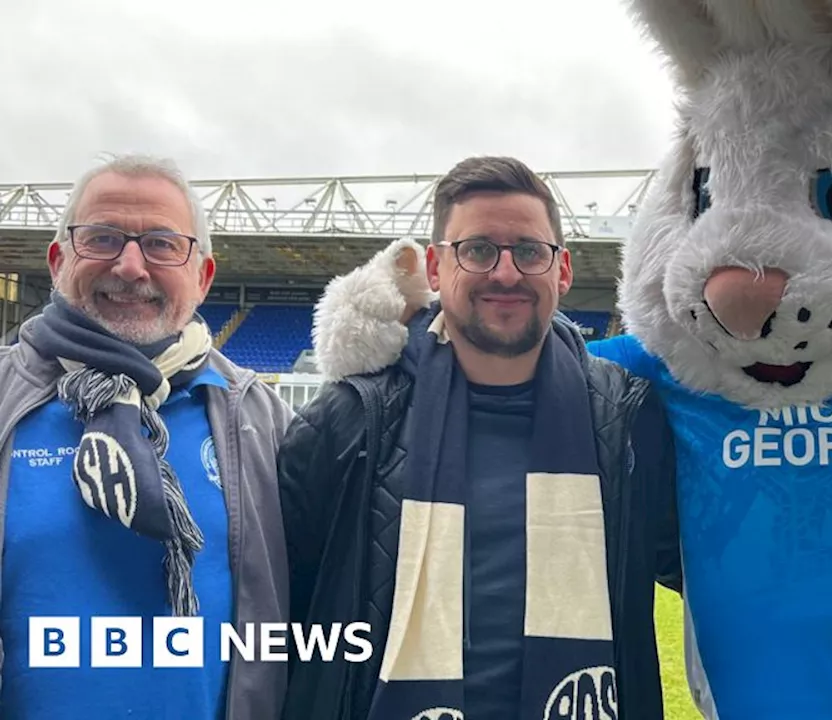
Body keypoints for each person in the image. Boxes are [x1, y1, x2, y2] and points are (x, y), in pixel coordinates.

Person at [277, 155, 681, 720]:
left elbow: (697, 568)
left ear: (561, 270)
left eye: (529, 251)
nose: (506, 273)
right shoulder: (350, 421)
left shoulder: (629, 418)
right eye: (479, 250)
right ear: (438, 269)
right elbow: (276, 605)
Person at [0, 154, 294, 718]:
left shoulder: (261, 421)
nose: (131, 266)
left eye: (162, 244)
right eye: (103, 238)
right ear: (60, 260)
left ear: (203, 277)